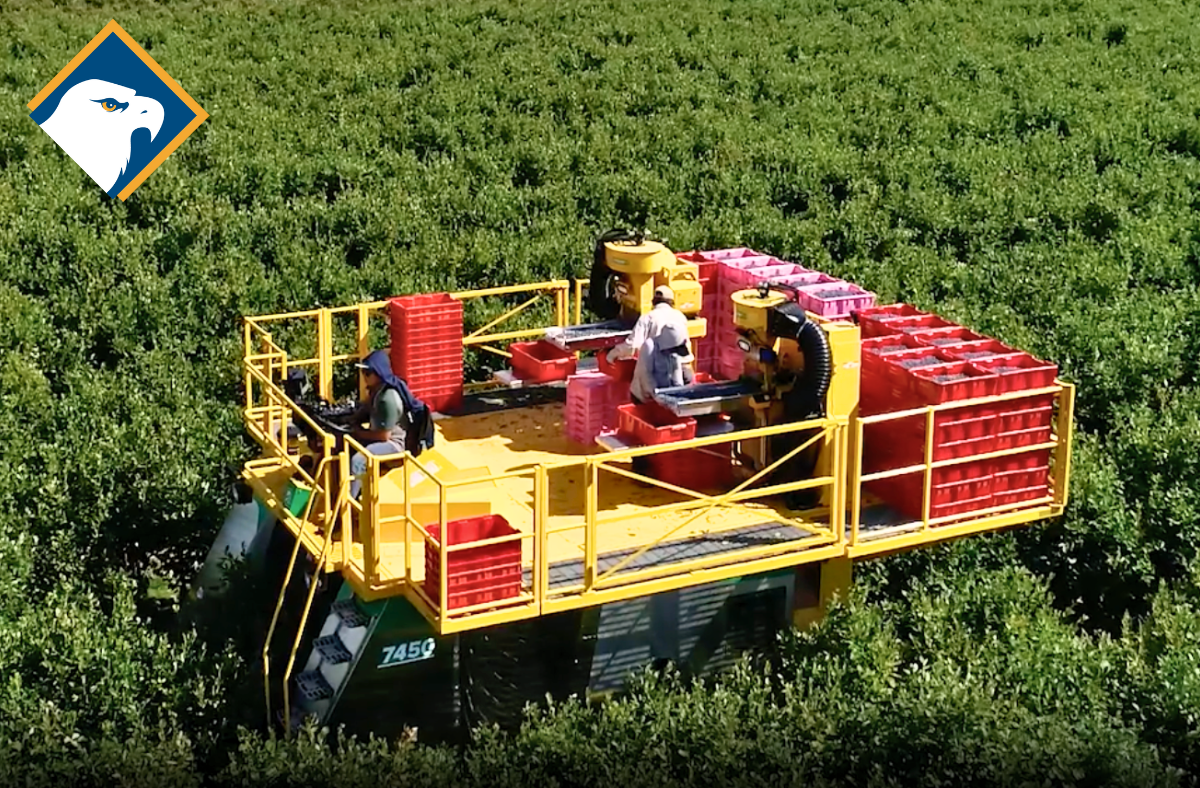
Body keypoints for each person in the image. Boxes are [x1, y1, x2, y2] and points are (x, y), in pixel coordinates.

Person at [606, 284, 695, 387]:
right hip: (686, 370)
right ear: (672, 302)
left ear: (653, 302)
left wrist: (612, 355)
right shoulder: (680, 316)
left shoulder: (648, 318)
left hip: (664, 372)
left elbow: (632, 346)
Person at [348, 350, 408, 499]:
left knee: (358, 460)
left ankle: (349, 503)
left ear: (378, 373)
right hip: (378, 435)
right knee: (344, 442)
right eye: (363, 372)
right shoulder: (376, 391)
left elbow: (384, 436)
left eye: (367, 373)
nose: (364, 377)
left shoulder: (387, 399)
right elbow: (366, 410)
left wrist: (359, 433)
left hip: (394, 444)